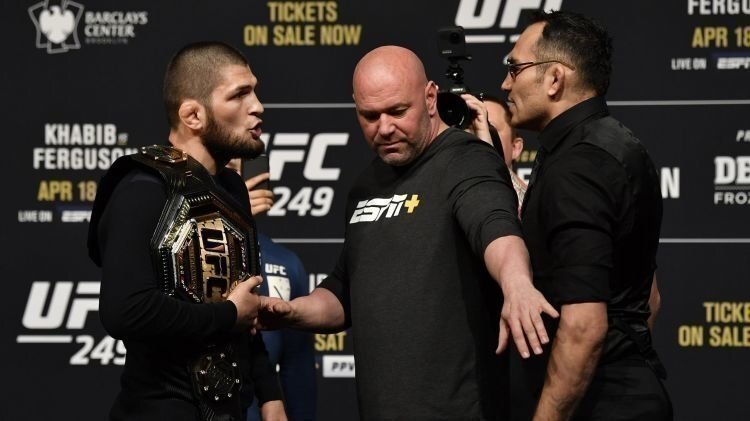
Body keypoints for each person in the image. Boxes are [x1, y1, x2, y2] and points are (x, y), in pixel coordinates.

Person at [259, 45, 558, 420]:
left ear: (431, 98)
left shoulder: (467, 160)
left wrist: (516, 284)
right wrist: (291, 312)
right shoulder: (365, 185)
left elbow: (495, 226)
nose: (384, 128)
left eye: (398, 111)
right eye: (370, 116)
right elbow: (344, 291)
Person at [87, 42, 286, 420]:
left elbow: (244, 306)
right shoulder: (142, 188)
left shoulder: (232, 188)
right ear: (193, 115)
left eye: (255, 91)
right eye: (240, 95)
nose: (258, 106)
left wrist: (270, 395)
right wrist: (228, 314)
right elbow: (125, 311)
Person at [501, 10, 671, 420]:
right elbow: (650, 298)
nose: (506, 83)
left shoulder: (577, 165)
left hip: (599, 404)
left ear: (554, 79)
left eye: (515, 68)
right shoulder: (617, 143)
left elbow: (584, 326)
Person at [228, 161, 316, 421]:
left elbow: (297, 367)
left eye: (242, 169)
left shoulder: (285, 263)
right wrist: (228, 215)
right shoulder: (177, 252)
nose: (238, 179)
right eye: (228, 169)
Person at [462, 94, 527, 208]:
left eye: (489, 127)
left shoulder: (533, 200)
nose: (478, 134)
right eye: (470, 128)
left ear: (515, 148)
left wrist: (488, 155)